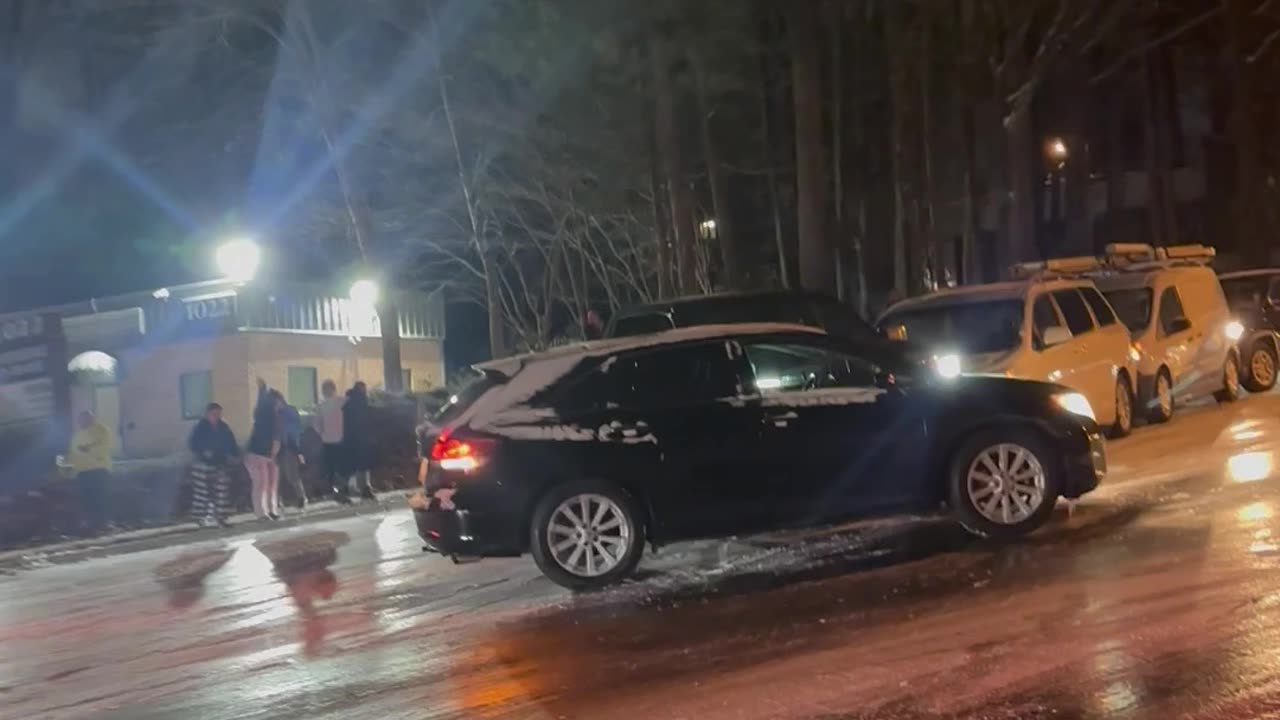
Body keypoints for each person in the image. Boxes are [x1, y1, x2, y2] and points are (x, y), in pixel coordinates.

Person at [188, 403, 239, 528]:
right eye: (214, 414)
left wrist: (235, 455)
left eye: (219, 414)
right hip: (202, 464)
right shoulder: (200, 427)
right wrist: (203, 451)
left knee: (221, 492)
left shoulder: (224, 427)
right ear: (208, 414)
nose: (217, 417)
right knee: (202, 493)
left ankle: (220, 518)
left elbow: (231, 443)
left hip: (220, 463)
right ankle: (201, 518)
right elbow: (193, 444)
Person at [67, 410, 113, 535]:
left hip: (99, 469)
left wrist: (88, 449)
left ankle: (104, 523)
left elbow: (105, 446)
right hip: (83, 472)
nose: (82, 421)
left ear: (92, 418)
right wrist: (70, 471)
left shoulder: (101, 430)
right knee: (88, 499)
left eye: (86, 418)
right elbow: (73, 454)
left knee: (100, 498)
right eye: (80, 419)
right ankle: (92, 524)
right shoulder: (77, 435)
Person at [244, 379, 283, 520]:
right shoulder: (269, 415)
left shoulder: (268, 415)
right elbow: (276, 437)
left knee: (266, 484)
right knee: (263, 484)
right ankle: (264, 512)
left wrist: (262, 390)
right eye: (279, 403)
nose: (280, 406)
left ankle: (268, 511)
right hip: (260, 454)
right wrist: (262, 390)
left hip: (264, 454)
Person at [341, 381, 375, 501]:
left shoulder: (348, 404)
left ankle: (349, 488)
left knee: (353, 465)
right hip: (361, 439)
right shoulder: (363, 403)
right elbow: (369, 420)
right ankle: (364, 488)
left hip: (352, 439)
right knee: (363, 465)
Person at [314, 379, 347, 502]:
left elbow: (317, 425)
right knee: (340, 466)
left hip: (328, 441)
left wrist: (322, 434)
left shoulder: (321, 406)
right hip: (341, 439)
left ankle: (335, 489)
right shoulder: (342, 402)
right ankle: (342, 489)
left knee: (331, 467)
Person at [277, 398, 307, 510]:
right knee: (290, 476)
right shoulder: (290, 413)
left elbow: (290, 433)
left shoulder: (284, 415)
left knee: (289, 475)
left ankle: (300, 497)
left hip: (286, 448)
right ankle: (300, 497)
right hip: (286, 448)